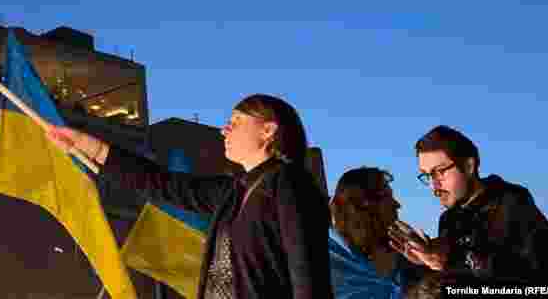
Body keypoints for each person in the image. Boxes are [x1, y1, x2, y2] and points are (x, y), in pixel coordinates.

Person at [48, 93, 334, 299]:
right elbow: (161, 183)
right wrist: (88, 145)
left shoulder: (292, 186)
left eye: (236, 121)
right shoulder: (233, 191)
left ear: (268, 130)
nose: (224, 130)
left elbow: (307, 274)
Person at [388, 125, 548, 288]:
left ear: (469, 166)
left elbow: (541, 273)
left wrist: (449, 260)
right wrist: (425, 262)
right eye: (427, 176)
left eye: (440, 171)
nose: (434, 185)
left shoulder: (512, 201)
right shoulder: (449, 219)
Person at [329, 167, 430, 298]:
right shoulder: (330, 258)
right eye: (388, 197)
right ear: (364, 205)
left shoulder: (413, 255)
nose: (397, 204)